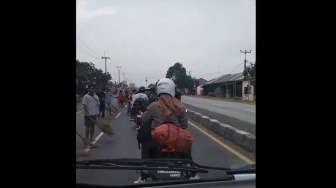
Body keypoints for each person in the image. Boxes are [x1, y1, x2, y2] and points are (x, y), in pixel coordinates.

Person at [134, 78, 198, 184]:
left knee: (146, 146)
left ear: (158, 90)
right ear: (173, 90)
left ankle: (143, 176)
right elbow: (184, 125)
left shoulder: (153, 105)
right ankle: (192, 174)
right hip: (176, 139)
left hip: (157, 139)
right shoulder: (180, 106)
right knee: (187, 147)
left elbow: (144, 120)